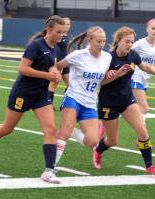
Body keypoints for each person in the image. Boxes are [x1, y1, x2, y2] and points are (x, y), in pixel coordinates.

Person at [0, 15, 65, 184]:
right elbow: (23, 69)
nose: (61, 36)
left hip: (41, 95)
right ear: (48, 30)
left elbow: (50, 67)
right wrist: (46, 75)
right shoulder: (35, 46)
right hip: (23, 93)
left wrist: (55, 75)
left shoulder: (56, 48)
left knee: (50, 129)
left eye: (63, 33)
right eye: (58, 32)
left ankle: (49, 171)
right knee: (7, 128)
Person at [93, 26, 155, 178]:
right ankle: (98, 150)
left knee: (143, 131)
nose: (129, 44)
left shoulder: (133, 55)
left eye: (131, 42)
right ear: (118, 41)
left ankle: (150, 166)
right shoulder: (108, 58)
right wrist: (113, 75)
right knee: (112, 141)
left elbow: (144, 66)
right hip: (109, 103)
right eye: (126, 41)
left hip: (127, 100)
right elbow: (100, 83)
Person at [54, 26, 129, 166]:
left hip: (90, 103)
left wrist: (117, 74)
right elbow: (58, 65)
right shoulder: (79, 55)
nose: (101, 45)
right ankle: (50, 169)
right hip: (73, 97)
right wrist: (53, 76)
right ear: (90, 40)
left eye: (103, 41)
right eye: (98, 41)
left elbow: (102, 82)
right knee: (64, 131)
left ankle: (73, 133)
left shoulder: (107, 58)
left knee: (92, 141)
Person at [131, 18, 155, 123]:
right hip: (135, 77)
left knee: (128, 107)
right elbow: (126, 52)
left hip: (145, 79)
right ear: (147, 29)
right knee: (144, 108)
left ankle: (101, 128)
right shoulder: (139, 44)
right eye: (153, 28)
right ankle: (143, 137)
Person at [48, 17, 71, 107]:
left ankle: (64, 104)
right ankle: (48, 104)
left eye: (68, 24)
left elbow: (65, 50)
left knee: (70, 84)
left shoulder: (66, 36)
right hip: (58, 63)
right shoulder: (58, 37)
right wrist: (55, 62)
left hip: (66, 63)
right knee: (54, 84)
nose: (66, 26)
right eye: (65, 24)